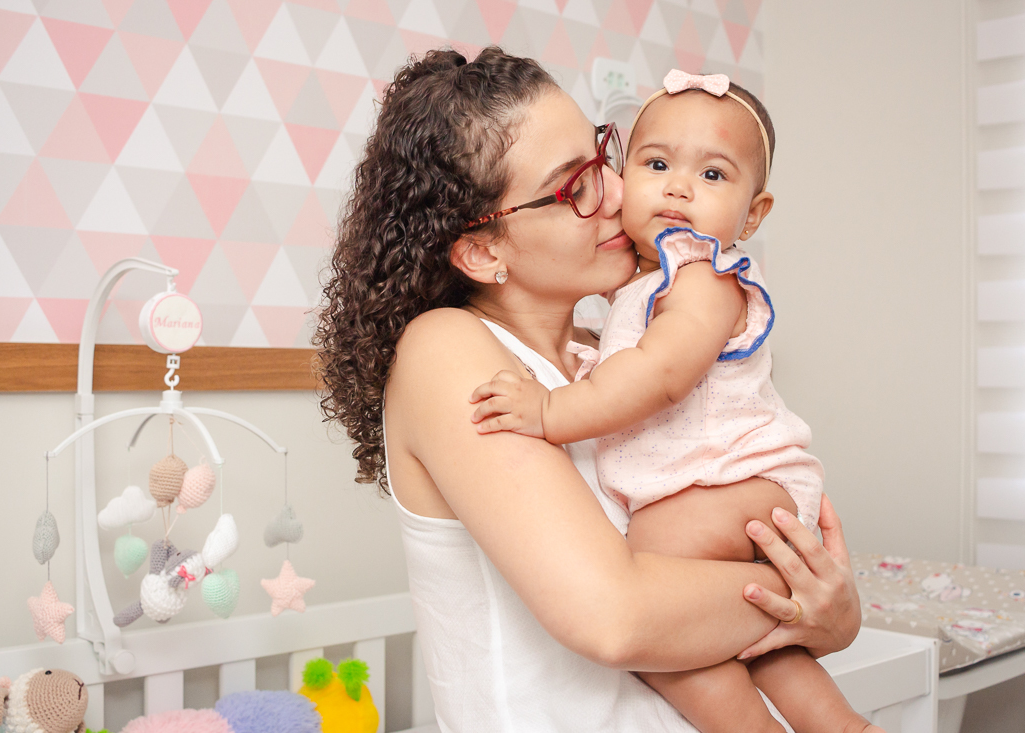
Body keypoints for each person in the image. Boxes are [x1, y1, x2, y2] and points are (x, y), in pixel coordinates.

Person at [315, 47, 863, 733]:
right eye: (574, 186)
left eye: (603, 156)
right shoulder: (445, 350)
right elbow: (616, 616)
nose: (616, 191)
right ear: (484, 250)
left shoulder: (609, 355)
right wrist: (813, 604)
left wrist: (819, 611)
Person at [470, 69, 879, 733]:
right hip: (718, 490)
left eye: (714, 175)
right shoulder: (641, 285)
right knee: (744, 642)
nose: (680, 186)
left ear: (753, 213)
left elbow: (659, 376)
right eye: (656, 163)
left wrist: (549, 412)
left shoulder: (703, 275)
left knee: (655, 592)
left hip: (740, 484)